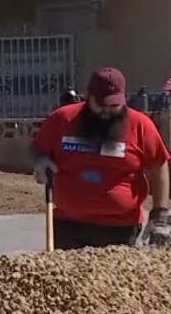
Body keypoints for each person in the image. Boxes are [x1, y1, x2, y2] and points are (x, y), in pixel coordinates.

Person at [33, 67, 171, 250]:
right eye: (101, 104)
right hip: (68, 226)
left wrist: (159, 216)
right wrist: (41, 162)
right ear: (88, 96)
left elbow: (158, 165)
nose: (107, 111)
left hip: (121, 228)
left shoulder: (140, 125)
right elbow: (41, 150)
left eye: (114, 106)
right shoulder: (62, 120)